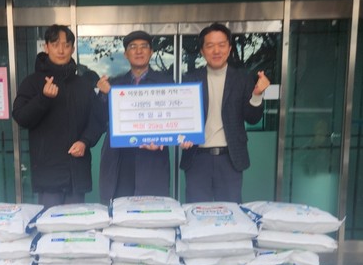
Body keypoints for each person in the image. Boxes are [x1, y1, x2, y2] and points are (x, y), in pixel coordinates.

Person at [12, 25, 104, 208]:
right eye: (55, 45)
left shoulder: (83, 85)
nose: (61, 50)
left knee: (76, 224)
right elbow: (21, 117)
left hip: (76, 174)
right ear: (46, 47)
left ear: (73, 49)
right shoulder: (32, 82)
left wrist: (85, 142)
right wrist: (43, 98)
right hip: (48, 177)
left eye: (66, 45)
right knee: (50, 224)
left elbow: (97, 121)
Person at [180, 22, 271, 203]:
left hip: (230, 159)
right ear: (202, 51)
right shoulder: (190, 80)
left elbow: (252, 118)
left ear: (229, 49)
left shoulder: (242, 79)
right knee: (196, 212)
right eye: (210, 46)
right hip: (197, 158)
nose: (216, 51)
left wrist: (257, 95)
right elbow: (181, 116)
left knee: (231, 212)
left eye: (221, 45)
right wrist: (181, 136)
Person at [95, 30, 174, 204]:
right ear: (126, 54)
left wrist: (162, 139)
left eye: (144, 46)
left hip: (151, 158)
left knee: (151, 211)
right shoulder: (114, 84)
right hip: (120, 157)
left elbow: (173, 121)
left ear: (151, 52)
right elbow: (100, 118)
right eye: (133, 47)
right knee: (119, 209)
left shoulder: (166, 83)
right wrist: (103, 95)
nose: (139, 51)